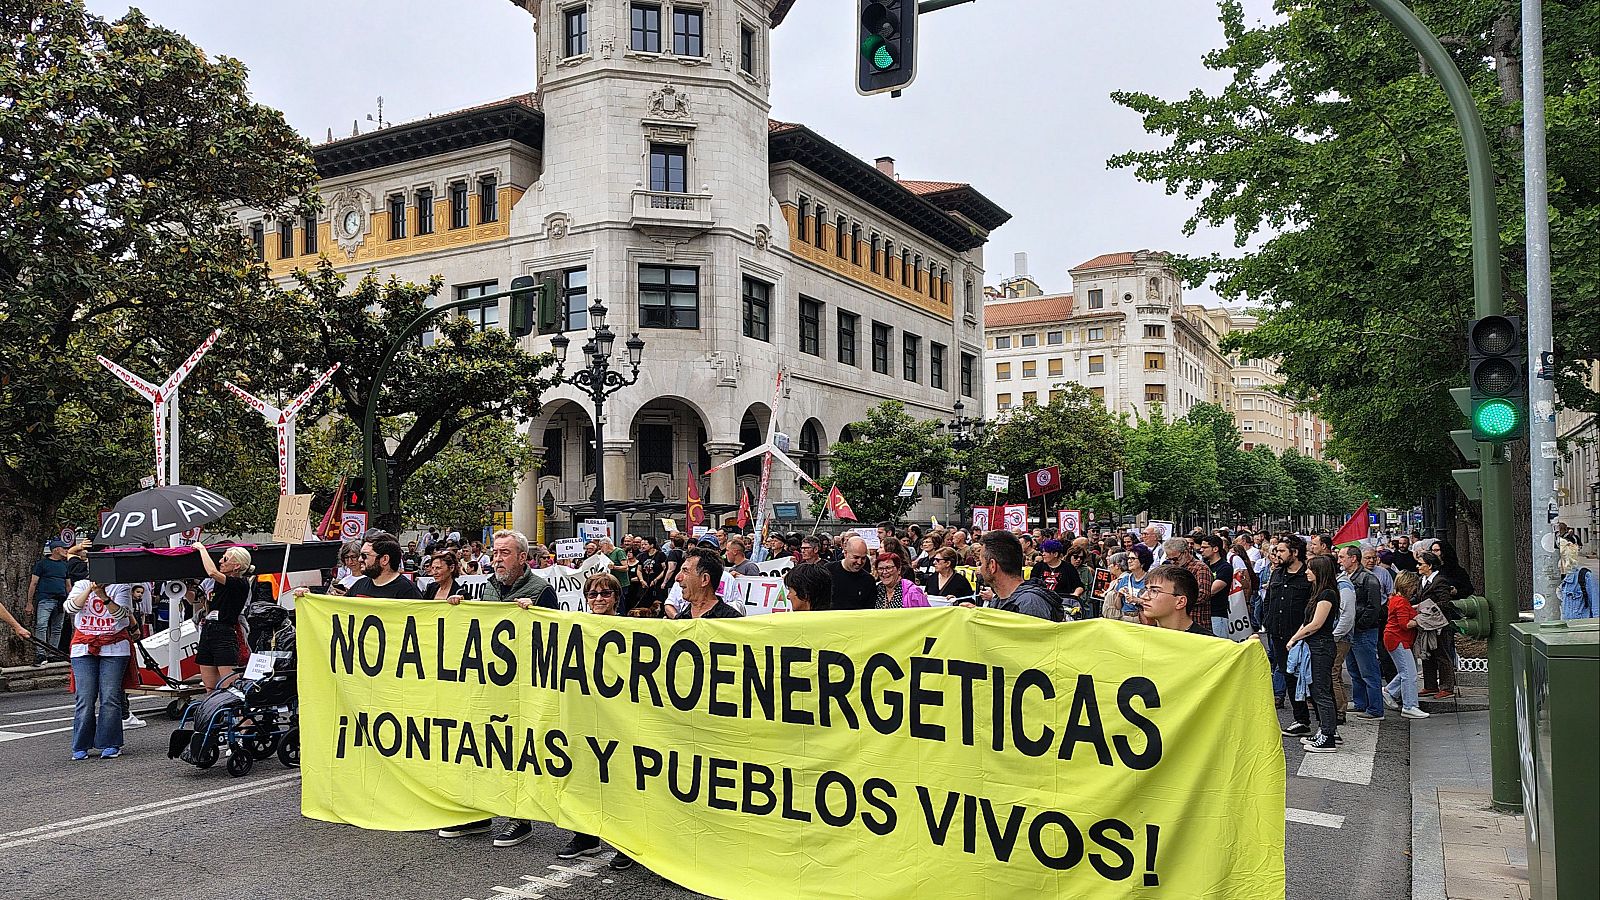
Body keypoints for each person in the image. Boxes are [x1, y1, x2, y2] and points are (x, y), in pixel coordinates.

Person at [437, 530, 554, 849]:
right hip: (489, 684)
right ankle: (480, 813)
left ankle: (520, 818)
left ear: (522, 558)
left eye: (505, 553)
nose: (497, 559)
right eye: (495, 553)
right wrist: (459, 608)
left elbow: (554, 637)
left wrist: (536, 614)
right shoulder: (486, 588)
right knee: (482, 747)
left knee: (517, 751)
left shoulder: (541, 590)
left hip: (523, 687)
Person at [557, 573, 638, 870]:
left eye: (605, 594)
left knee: (622, 781)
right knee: (584, 777)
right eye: (593, 594)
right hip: (585, 714)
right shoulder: (577, 625)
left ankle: (626, 843)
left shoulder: (631, 628)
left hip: (620, 718)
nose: (599, 599)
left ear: (616, 597)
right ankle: (586, 836)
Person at [64, 577, 134, 760]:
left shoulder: (121, 587)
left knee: (110, 696)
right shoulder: (81, 585)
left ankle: (110, 743)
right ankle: (81, 744)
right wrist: (89, 590)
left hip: (114, 646)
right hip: (84, 646)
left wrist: (102, 595)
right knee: (85, 697)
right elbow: (70, 608)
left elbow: (122, 615)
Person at [1287, 554, 1341, 753]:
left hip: (1321, 646)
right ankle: (1325, 730)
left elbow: (1316, 624)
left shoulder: (1327, 594)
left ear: (1320, 571)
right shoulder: (1318, 592)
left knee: (1321, 691)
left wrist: (1295, 638)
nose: (1307, 572)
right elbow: (1308, 622)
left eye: (1310, 569)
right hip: (1315, 646)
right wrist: (1296, 637)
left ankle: (1328, 736)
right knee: (1318, 689)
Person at [191, 543, 254, 692]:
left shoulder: (240, 583)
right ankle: (211, 706)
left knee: (229, 686)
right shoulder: (219, 582)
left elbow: (212, 572)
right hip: (208, 629)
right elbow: (195, 598)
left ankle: (238, 708)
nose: (220, 561)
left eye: (225, 559)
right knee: (210, 686)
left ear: (237, 566)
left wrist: (202, 549)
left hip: (225, 631)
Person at [1266, 535, 1313, 723]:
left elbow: (1313, 606)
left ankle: (1326, 724)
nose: (1277, 554)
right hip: (1278, 634)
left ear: (1294, 552)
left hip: (1300, 635)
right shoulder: (1277, 573)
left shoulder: (1308, 575)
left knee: (1310, 678)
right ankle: (1301, 719)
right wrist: (1268, 621)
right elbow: (1269, 599)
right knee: (1289, 676)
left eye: (1282, 550)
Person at [1338, 545, 1386, 722]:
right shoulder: (1347, 577)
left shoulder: (1368, 578)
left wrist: (1359, 624)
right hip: (1353, 630)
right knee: (1354, 670)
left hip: (1363, 631)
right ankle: (1361, 702)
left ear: (1353, 559)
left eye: (1342, 557)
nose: (1339, 560)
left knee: (1368, 670)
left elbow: (1374, 607)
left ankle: (1375, 708)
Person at [975, 531, 1063, 620]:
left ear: (992, 566)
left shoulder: (1029, 604)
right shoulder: (999, 599)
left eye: (981, 563)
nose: (979, 569)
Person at [1382, 571, 1429, 719]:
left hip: (1394, 638)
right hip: (1399, 639)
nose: (1415, 589)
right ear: (1407, 585)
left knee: (1407, 670)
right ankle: (1410, 706)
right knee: (1410, 674)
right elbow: (1405, 624)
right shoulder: (1401, 602)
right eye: (1413, 586)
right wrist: (1421, 620)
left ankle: (1389, 691)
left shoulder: (1396, 599)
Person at [1415, 551, 1457, 699]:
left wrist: (1424, 608)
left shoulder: (1440, 581)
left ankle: (1447, 687)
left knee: (1442, 654)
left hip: (1440, 625)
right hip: (1427, 624)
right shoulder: (1422, 580)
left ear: (1430, 565)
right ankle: (1430, 685)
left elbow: (1445, 603)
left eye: (1420, 564)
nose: (1418, 566)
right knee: (1427, 654)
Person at [27, 539, 73, 666]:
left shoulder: (64, 565)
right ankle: (41, 653)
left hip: (61, 601)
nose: (66, 550)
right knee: (42, 625)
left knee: (57, 628)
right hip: (45, 599)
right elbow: (33, 583)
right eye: (64, 548)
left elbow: (68, 585)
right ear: (56, 550)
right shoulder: (42, 564)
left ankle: (53, 652)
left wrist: (71, 601)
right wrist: (29, 602)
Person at [1138, 564, 1212, 635]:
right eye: (1146, 589)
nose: (1144, 596)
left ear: (1180, 602)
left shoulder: (1208, 642)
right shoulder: (1143, 637)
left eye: (1154, 591)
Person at [673, 548, 743, 619]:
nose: (677, 578)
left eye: (685, 571)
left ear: (705, 579)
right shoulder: (680, 619)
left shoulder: (732, 620)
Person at [345, 538, 424, 600]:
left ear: (385, 559)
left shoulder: (408, 591)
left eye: (364, 556)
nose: (360, 559)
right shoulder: (359, 585)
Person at [1163, 538, 1214, 631]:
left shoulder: (1200, 568)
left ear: (1185, 553)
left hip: (1197, 622)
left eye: (1175, 559)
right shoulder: (1173, 569)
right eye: (1169, 559)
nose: (1172, 562)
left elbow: (1203, 595)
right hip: (1177, 624)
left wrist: (1175, 600)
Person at [1028, 540, 1083, 615]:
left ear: (1055, 554)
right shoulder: (1038, 567)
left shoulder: (1068, 568)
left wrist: (1074, 595)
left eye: (1046, 552)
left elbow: (1079, 586)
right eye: (1043, 551)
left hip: (1062, 604)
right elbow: (1031, 584)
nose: (1043, 554)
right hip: (1040, 603)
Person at [827, 536, 877, 611]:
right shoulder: (827, 571)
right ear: (845, 553)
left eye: (863, 558)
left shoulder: (868, 580)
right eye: (856, 557)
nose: (859, 562)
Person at [1106, 545, 1152, 621]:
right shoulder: (1125, 579)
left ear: (1142, 562)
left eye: (1133, 558)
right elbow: (1118, 607)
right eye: (1129, 558)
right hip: (1125, 618)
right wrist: (1119, 596)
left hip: (1142, 619)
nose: (1129, 561)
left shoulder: (1151, 580)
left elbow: (1154, 604)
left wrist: (1137, 600)